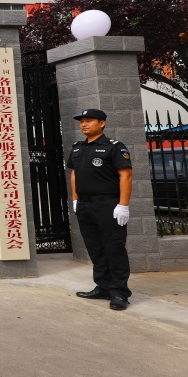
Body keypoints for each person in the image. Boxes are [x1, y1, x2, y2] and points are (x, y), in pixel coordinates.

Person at [66, 108, 134, 311]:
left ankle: (119, 292)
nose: (84, 124)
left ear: (102, 123)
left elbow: (126, 175)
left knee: (114, 248)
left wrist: (123, 205)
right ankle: (103, 287)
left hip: (108, 205)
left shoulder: (114, 147)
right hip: (85, 205)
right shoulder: (77, 148)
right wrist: (75, 200)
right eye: (82, 121)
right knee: (95, 248)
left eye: (89, 120)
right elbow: (74, 175)